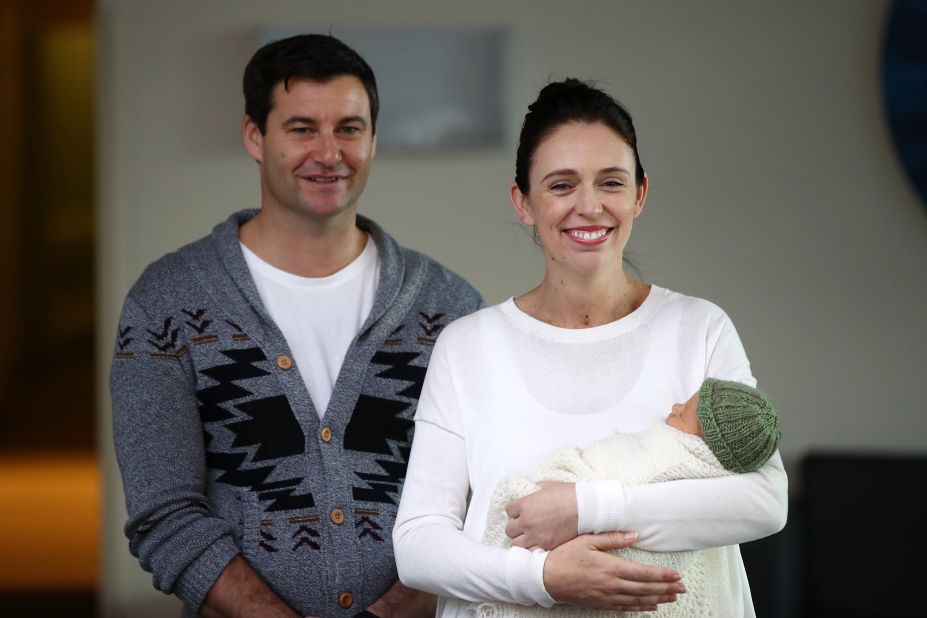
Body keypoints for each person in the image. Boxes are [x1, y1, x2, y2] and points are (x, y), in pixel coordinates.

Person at [110, 34, 481, 618]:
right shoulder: (168, 303)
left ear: (375, 139)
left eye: (350, 128)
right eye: (302, 128)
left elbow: (479, 498)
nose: (329, 153)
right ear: (255, 137)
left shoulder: (448, 307)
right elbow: (165, 513)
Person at [392, 79, 788, 617]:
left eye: (611, 182)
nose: (589, 206)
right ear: (523, 202)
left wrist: (585, 509)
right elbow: (418, 544)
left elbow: (764, 501)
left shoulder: (699, 329)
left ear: (640, 194)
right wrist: (543, 578)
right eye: (560, 185)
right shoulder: (468, 347)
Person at [478, 378, 782, 617]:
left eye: (684, 413)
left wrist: (570, 486)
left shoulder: (680, 461)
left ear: (705, 442)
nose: (675, 407)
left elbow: (631, 470)